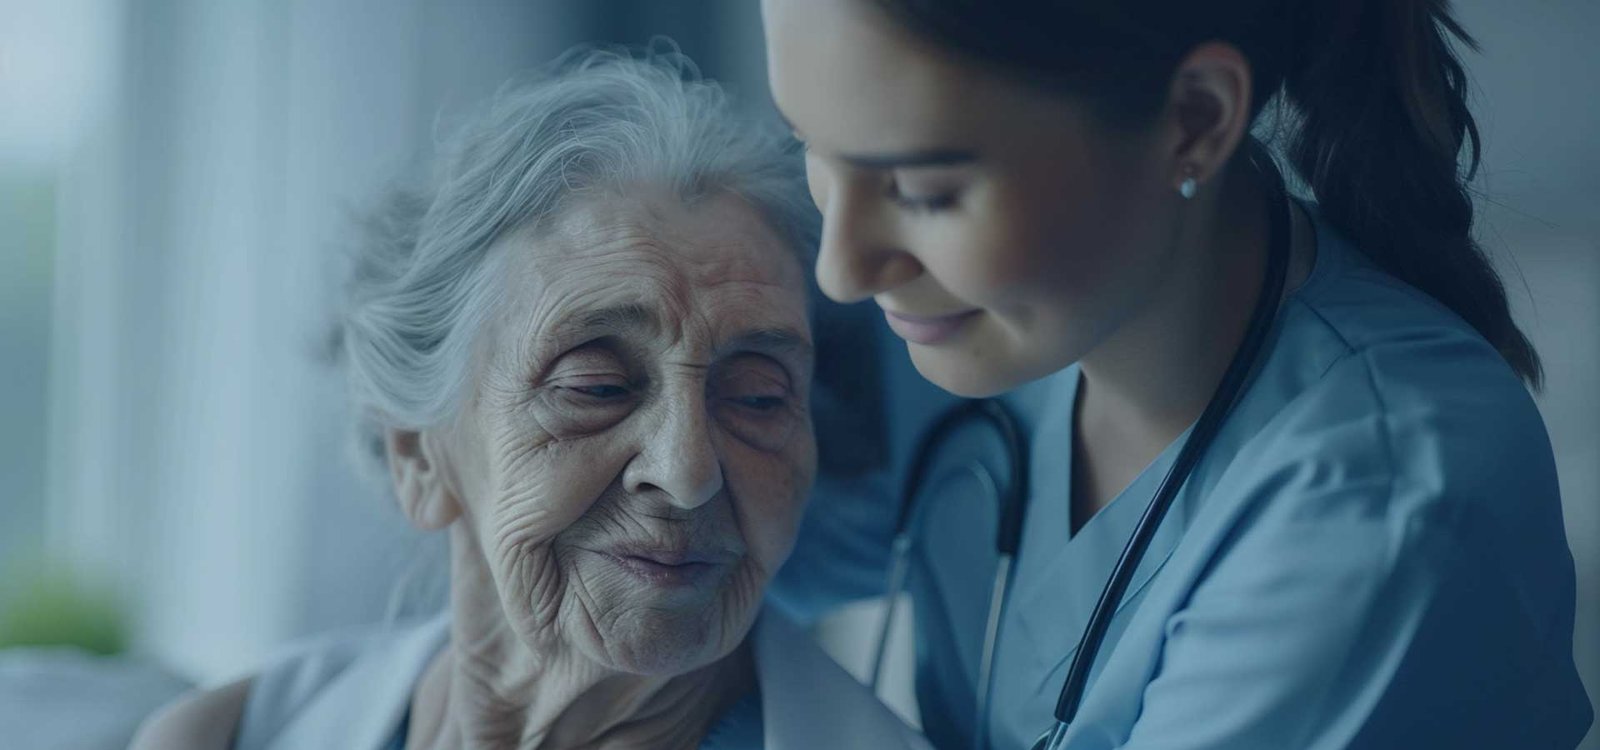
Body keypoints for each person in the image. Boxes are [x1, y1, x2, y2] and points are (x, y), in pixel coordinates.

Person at [761, 0, 1594, 747]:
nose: (841, 270)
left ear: (1195, 120)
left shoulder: (1380, 507)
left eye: (925, 189)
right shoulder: (964, 329)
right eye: (809, 147)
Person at [130, 49, 930, 750]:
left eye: (757, 397)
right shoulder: (232, 736)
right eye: (596, 387)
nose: (687, 471)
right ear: (417, 452)